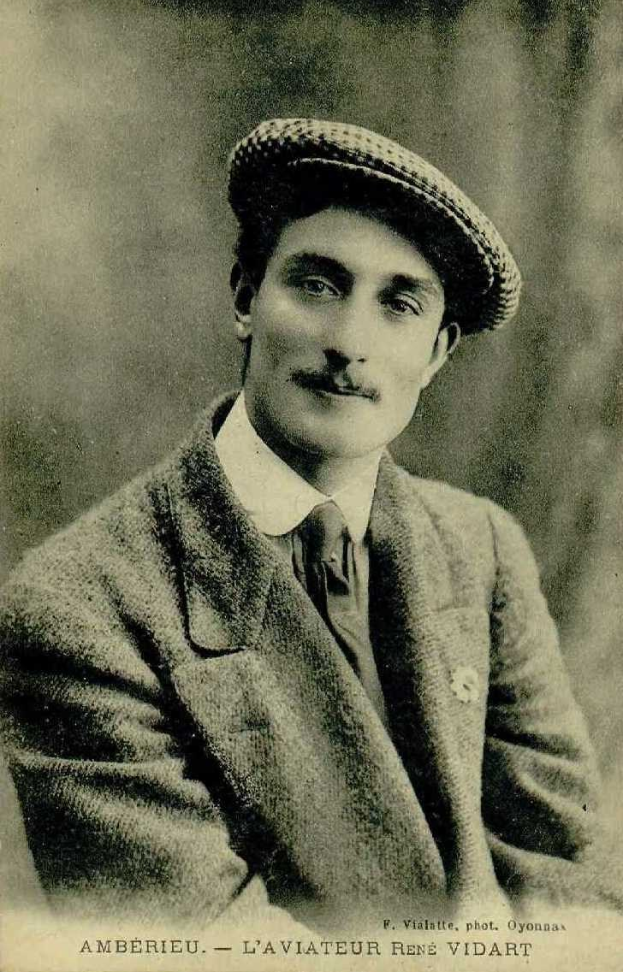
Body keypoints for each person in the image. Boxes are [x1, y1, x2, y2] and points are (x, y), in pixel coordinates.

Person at [0, 118, 617, 931]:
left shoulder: (481, 547)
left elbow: (565, 884)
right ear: (245, 299)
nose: (348, 343)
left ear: (437, 354)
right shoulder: (79, 607)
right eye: (318, 286)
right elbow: (201, 943)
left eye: (398, 305)